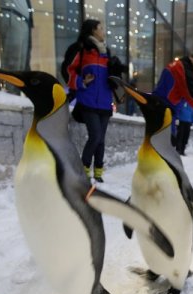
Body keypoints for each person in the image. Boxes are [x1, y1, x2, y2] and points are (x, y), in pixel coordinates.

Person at [67, 19, 114, 183]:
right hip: (88, 101)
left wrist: (116, 82)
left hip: (105, 102)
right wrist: (81, 82)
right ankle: (83, 169)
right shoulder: (81, 50)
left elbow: (112, 77)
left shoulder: (106, 52)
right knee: (95, 136)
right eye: (101, 28)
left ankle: (98, 172)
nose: (103, 31)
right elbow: (68, 72)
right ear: (93, 30)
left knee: (101, 139)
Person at [152, 51, 193, 148]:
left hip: (163, 108)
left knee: (165, 144)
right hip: (165, 110)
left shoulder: (177, 65)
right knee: (167, 145)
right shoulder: (182, 69)